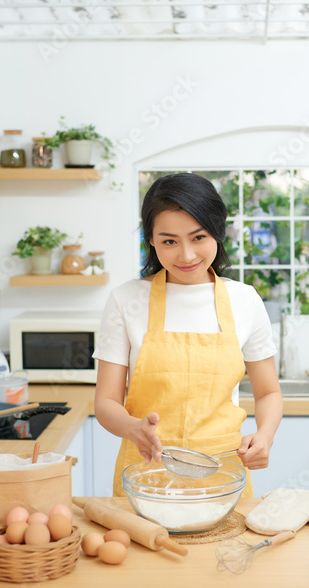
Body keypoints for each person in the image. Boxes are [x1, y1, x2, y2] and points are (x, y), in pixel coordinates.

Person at [93, 173, 283, 497]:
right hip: (145, 480)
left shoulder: (245, 300)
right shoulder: (126, 301)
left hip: (221, 479)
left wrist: (264, 435)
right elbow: (106, 402)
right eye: (169, 241)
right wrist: (133, 428)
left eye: (198, 237)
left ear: (218, 233)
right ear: (150, 240)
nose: (186, 255)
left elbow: (268, 393)